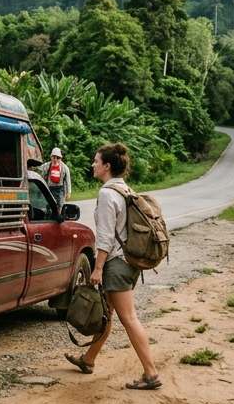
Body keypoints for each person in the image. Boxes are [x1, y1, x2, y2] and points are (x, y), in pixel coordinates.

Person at [64, 142, 161, 391]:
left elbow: (106, 238)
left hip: (116, 265)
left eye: (96, 161)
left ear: (106, 166)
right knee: (107, 314)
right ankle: (88, 359)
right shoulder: (124, 188)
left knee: (129, 318)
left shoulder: (108, 194)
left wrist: (97, 269)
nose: (93, 165)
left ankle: (151, 373)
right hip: (128, 262)